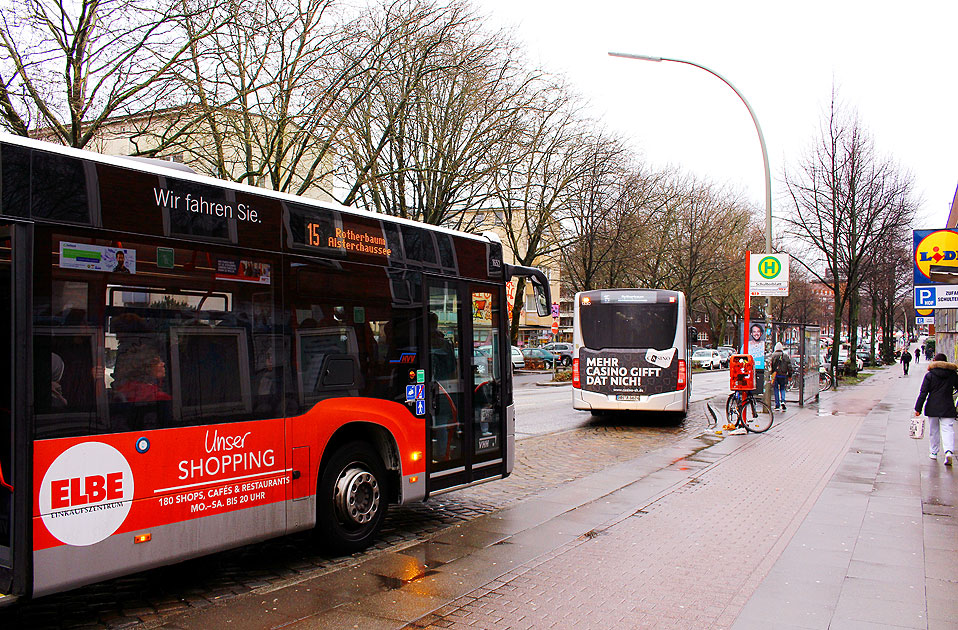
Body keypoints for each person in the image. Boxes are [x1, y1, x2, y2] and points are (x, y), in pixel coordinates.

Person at [915, 353, 958, 466]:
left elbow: (923, 392)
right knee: (948, 429)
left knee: (934, 431)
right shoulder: (952, 374)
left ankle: (934, 452)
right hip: (948, 406)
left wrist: (918, 408)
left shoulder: (930, 375)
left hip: (933, 406)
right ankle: (948, 451)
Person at [768, 342, 792, 411]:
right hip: (783, 375)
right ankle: (783, 401)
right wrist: (789, 375)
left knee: (776, 389)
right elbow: (789, 366)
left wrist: (771, 373)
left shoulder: (773, 355)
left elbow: (770, 366)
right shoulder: (785, 356)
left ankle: (777, 404)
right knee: (782, 388)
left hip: (775, 375)